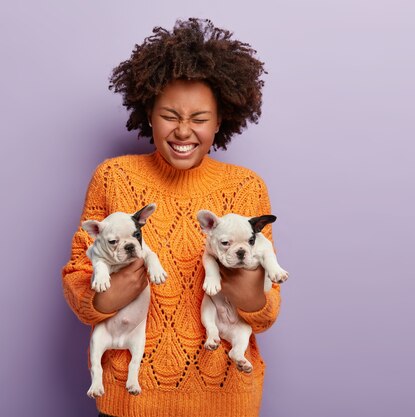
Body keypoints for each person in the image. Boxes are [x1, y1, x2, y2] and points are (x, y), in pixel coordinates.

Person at [61, 18, 282, 417]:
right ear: (148, 113)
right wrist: (113, 291)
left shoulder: (246, 188)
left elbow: (264, 312)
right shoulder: (114, 177)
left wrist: (244, 281)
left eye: (199, 119)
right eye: (169, 115)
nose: (183, 131)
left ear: (220, 120)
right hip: (130, 396)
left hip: (225, 396)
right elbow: (81, 285)